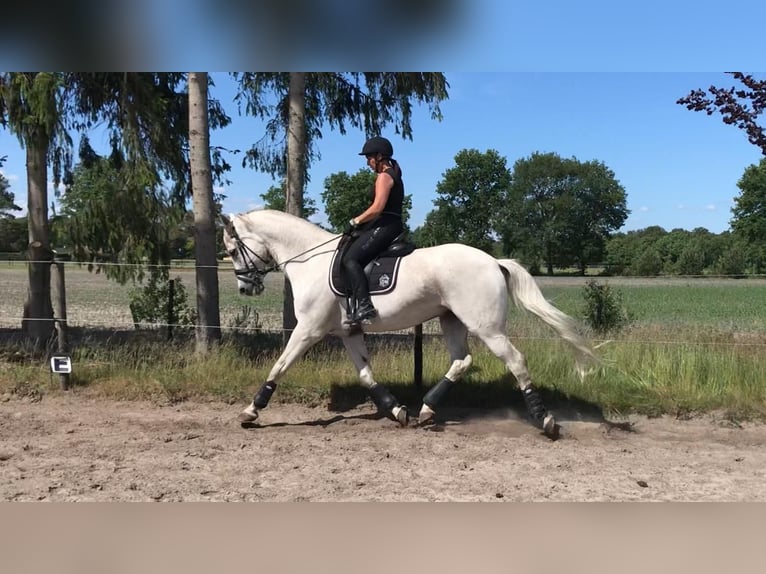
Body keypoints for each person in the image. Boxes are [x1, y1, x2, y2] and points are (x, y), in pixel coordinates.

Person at [341, 136, 405, 324]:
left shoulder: (384, 177)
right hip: (388, 224)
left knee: (351, 259)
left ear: (379, 156)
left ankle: (365, 306)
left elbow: (377, 208)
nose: (367, 163)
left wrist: (355, 221)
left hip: (386, 226)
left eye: (369, 158)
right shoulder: (394, 173)